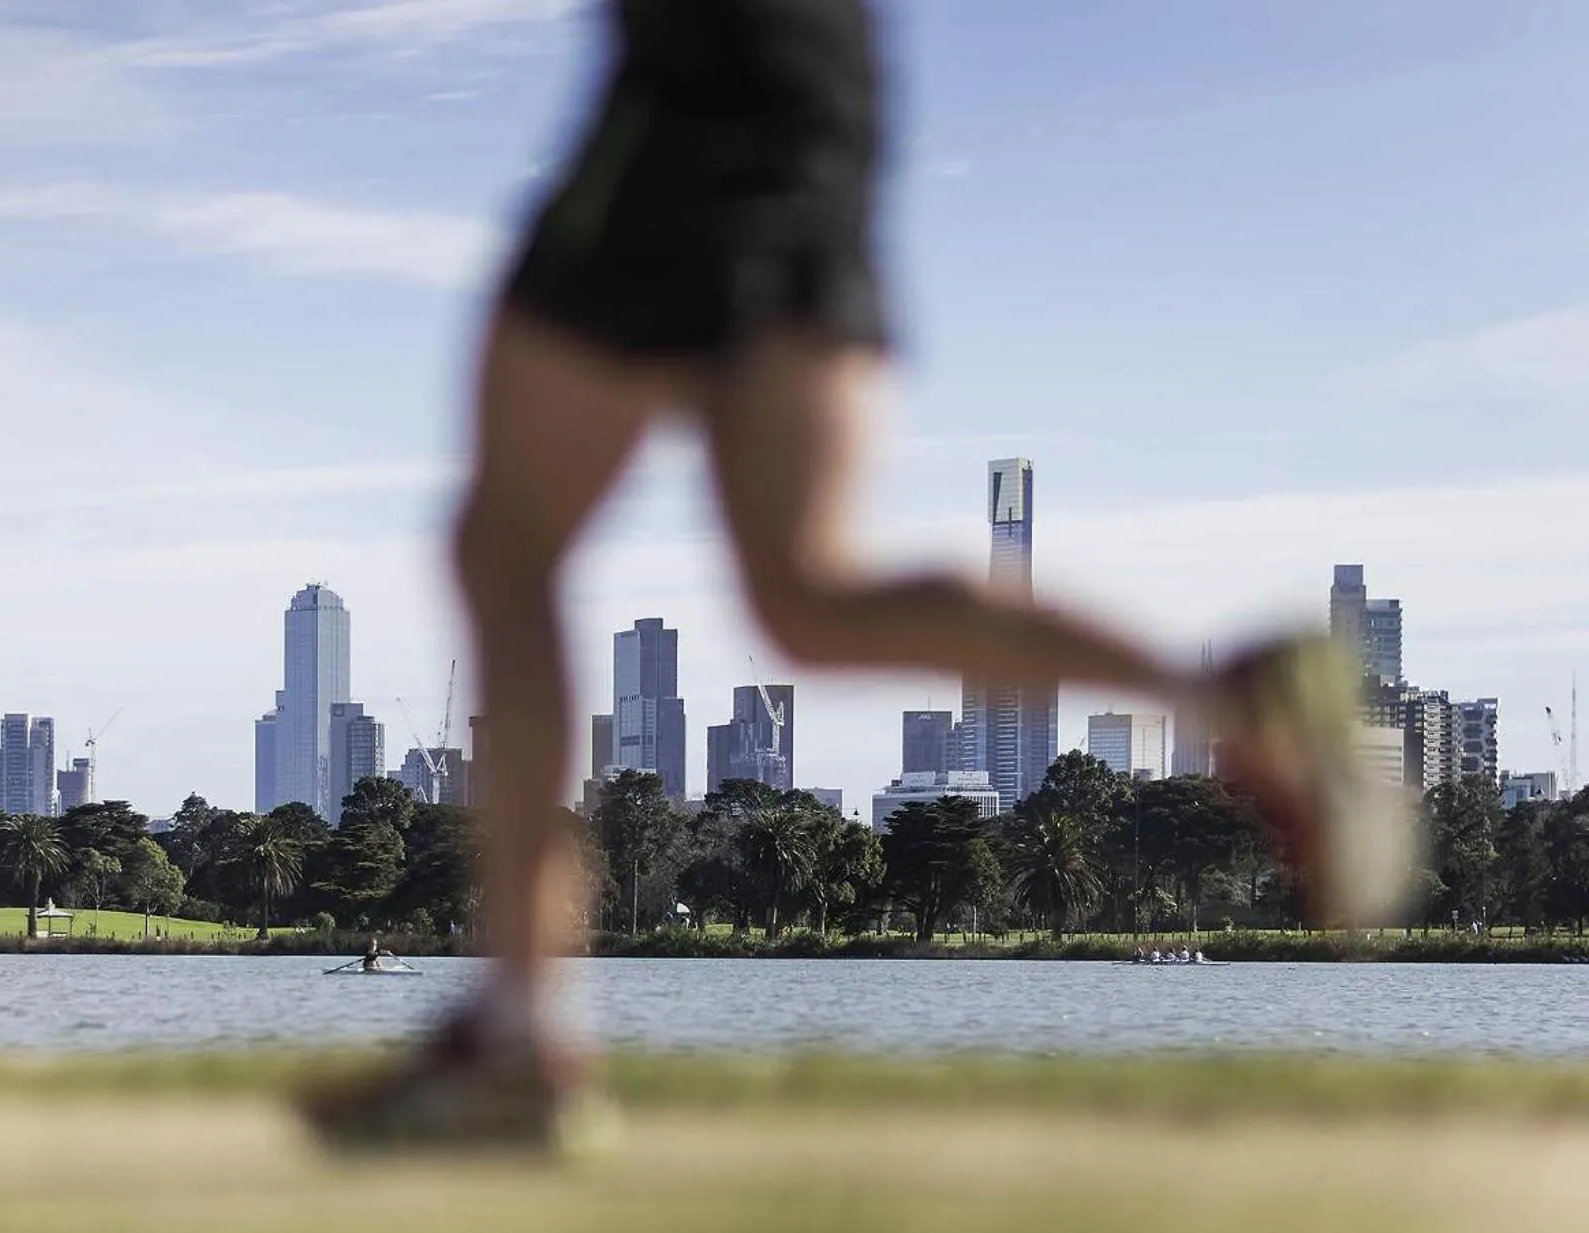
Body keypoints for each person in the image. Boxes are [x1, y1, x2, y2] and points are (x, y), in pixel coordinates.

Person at [302, 0, 1408, 1149]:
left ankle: (519, 1037)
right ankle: (1228, 700)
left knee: (510, 545)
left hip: (695, 93)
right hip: (824, 111)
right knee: (806, 596)